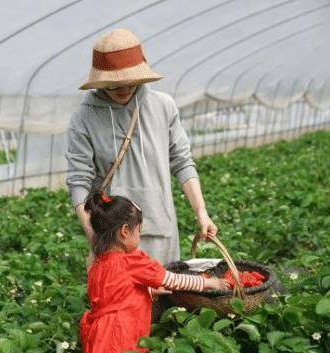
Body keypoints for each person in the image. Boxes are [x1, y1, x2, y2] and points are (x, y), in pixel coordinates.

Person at [66, 28, 218, 269]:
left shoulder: (162, 105)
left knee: (164, 294)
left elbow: (182, 161)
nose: (124, 88)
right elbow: (78, 181)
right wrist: (94, 236)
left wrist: (201, 211)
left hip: (160, 223)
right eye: (115, 85)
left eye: (131, 81)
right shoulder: (84, 117)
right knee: (123, 302)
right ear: (101, 81)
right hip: (113, 235)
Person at [79, 191, 229, 353]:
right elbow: (172, 280)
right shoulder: (130, 262)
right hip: (121, 335)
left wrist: (149, 290)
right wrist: (208, 283)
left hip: (100, 335)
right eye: (139, 231)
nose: (139, 236)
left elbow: (116, 294)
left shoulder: (98, 264)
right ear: (125, 231)